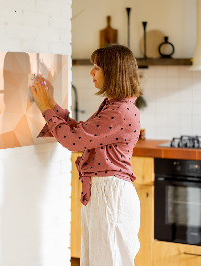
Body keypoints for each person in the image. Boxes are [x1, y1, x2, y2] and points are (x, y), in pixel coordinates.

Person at [30, 44, 142, 266]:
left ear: (113, 72)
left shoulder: (119, 111)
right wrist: (51, 103)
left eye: (97, 67)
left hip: (110, 195)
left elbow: (73, 141)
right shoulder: (115, 106)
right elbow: (81, 133)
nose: (91, 72)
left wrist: (45, 108)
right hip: (105, 193)